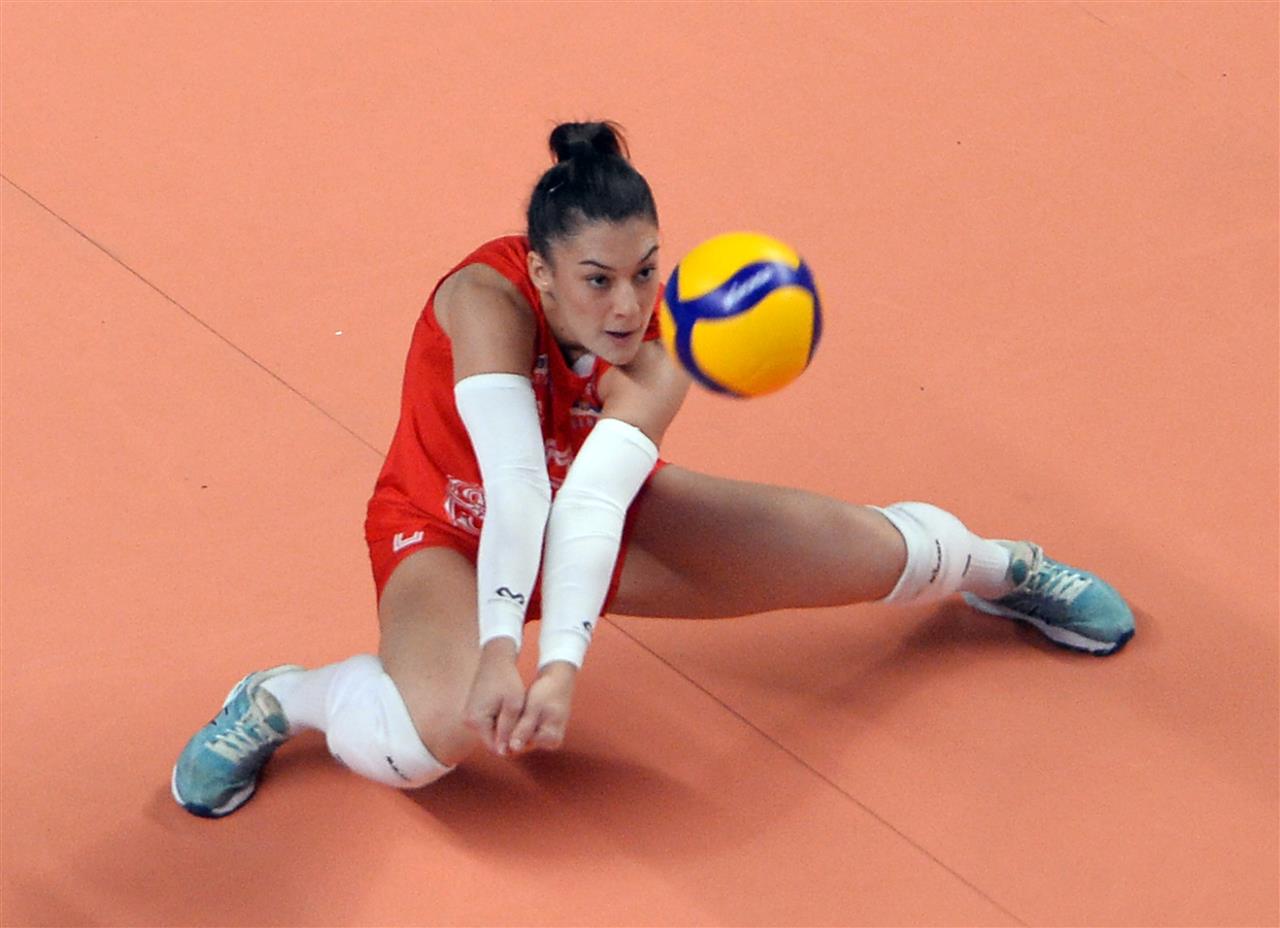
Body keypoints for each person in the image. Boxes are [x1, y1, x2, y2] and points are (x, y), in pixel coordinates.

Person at [172, 121, 1135, 818]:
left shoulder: (670, 330)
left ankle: (1002, 568)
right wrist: (503, 650)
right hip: (445, 529)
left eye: (644, 270)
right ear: (543, 273)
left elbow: (590, 499)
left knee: (873, 557)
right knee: (422, 741)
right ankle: (279, 699)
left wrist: (560, 667)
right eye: (597, 280)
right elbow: (515, 486)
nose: (629, 307)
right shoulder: (483, 301)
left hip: (592, 517)